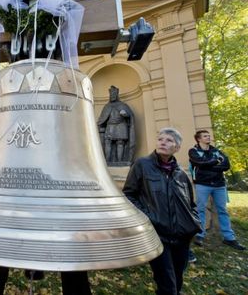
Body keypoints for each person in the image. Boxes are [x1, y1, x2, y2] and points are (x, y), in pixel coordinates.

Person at [123, 128, 201, 295]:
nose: (163, 142)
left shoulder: (181, 173)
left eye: (169, 140)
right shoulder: (142, 165)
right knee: (167, 284)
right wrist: (149, 218)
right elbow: (129, 195)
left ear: (177, 147)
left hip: (182, 236)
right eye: (160, 139)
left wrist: (194, 222)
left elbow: (191, 204)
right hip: (158, 235)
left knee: (178, 278)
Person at [189, 130, 245, 250]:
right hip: (202, 184)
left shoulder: (216, 151)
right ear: (198, 139)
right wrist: (216, 162)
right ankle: (200, 235)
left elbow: (226, 166)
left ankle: (229, 238)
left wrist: (210, 165)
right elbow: (200, 163)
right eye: (205, 136)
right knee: (200, 210)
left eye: (208, 136)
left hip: (219, 185)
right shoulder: (193, 151)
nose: (208, 137)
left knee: (222, 210)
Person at [97, 85, 135, 165]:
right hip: (110, 126)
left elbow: (130, 116)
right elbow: (102, 118)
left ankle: (120, 161)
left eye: (114, 94)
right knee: (107, 142)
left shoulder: (123, 105)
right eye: (111, 94)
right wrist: (100, 124)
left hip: (121, 126)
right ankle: (107, 161)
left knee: (120, 142)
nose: (112, 96)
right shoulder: (107, 106)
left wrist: (126, 115)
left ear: (117, 95)